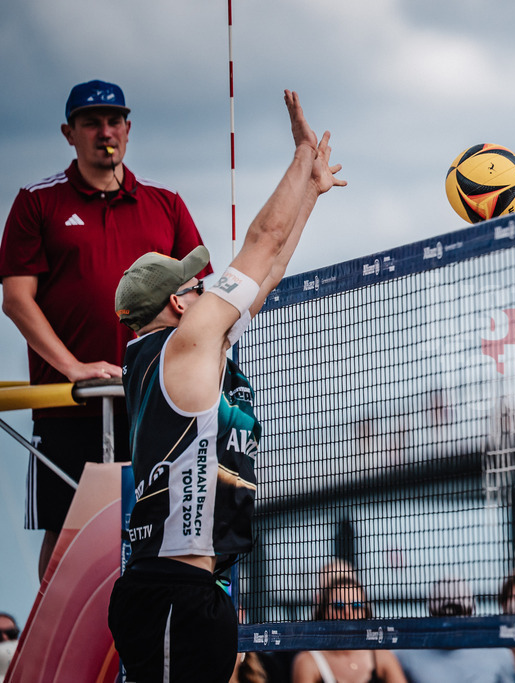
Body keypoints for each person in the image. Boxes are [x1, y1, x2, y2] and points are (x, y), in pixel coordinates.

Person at [106, 90, 346, 683]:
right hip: (169, 591)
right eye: (194, 285)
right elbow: (258, 243)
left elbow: (269, 271)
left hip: (195, 588)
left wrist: (310, 193)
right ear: (176, 302)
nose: (205, 289)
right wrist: (298, 157)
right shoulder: (183, 347)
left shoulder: (193, 351)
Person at [0, 79, 211, 579]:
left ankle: (147, 641)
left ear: (129, 129)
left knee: (171, 528)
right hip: (73, 405)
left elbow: (202, 296)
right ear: (68, 133)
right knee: (65, 537)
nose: (105, 132)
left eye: (114, 120)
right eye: (91, 122)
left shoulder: (166, 204)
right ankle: (63, 651)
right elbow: (16, 300)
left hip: (156, 402)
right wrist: (74, 369)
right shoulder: (37, 203)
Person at [395, 576, 515, 683]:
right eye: (444, 614)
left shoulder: (499, 654)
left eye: (457, 612)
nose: (451, 622)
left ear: (471, 610)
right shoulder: (406, 656)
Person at [292, 573, 406, 683]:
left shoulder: (381, 657)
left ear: (365, 612)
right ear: (324, 612)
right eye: (338, 606)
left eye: (356, 606)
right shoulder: (308, 661)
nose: (347, 612)